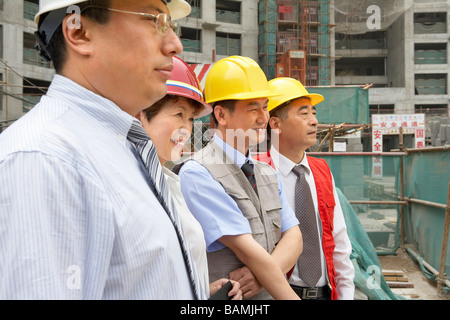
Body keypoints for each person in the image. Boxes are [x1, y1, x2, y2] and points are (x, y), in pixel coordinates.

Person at [0, 0, 204, 299]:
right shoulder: (44, 159)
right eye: (153, 20)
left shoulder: (123, 146)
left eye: (171, 25)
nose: (174, 44)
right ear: (79, 32)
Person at [178, 56, 302, 300]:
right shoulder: (198, 173)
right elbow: (246, 250)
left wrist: (259, 276)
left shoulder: (265, 172)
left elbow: (295, 237)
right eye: (253, 108)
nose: (263, 118)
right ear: (221, 115)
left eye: (265, 107)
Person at [136, 56, 241, 300]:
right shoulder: (126, 184)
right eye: (178, 114)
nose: (186, 128)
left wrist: (202, 291)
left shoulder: (171, 182)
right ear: (141, 115)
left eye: (191, 118)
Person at [255, 77, 355, 300]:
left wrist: (346, 293)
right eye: (304, 114)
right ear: (275, 123)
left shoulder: (321, 171)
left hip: (325, 294)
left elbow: (338, 240)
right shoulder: (257, 172)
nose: (314, 121)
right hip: (276, 293)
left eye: (314, 113)